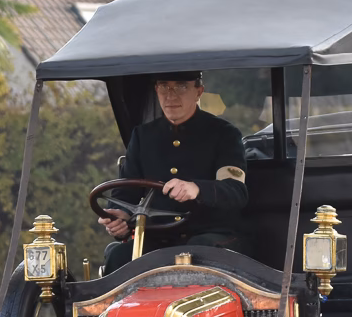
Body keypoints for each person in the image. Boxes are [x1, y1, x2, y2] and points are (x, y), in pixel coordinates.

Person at [99, 72, 248, 274]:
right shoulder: (143, 136)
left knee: (196, 255)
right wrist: (119, 217)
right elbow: (126, 193)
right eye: (164, 87)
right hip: (158, 238)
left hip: (210, 235)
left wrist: (197, 189)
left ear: (198, 91)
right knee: (119, 256)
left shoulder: (223, 134)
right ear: (156, 91)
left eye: (180, 87)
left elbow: (235, 191)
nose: (170, 96)